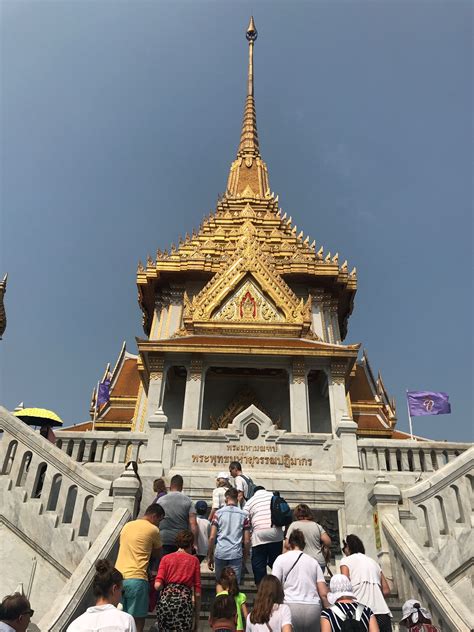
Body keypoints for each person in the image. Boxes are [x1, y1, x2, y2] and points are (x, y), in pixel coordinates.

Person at [115, 503, 165, 632]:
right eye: (159, 520)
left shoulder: (127, 526)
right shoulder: (153, 530)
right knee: (137, 620)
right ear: (154, 516)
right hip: (137, 579)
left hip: (118, 578)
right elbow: (159, 554)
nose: (159, 524)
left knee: (119, 620)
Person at [272, 529, 328, 632]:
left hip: (290, 606)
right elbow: (323, 593)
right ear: (304, 544)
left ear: (289, 543)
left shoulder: (280, 559)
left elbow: (273, 586)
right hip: (313, 607)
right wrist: (329, 609)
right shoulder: (313, 562)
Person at [340, 535, 392, 632]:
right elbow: (386, 591)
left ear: (348, 547)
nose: (344, 551)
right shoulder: (373, 562)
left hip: (359, 612)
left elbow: (344, 587)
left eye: (344, 548)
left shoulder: (345, 561)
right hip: (382, 611)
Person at [67, 559, 136, 632]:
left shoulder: (75, 625)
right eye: (122, 592)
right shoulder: (126, 621)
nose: (121, 597)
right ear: (114, 589)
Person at [154, 530, 201, 632]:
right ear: (191, 544)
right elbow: (197, 593)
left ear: (177, 543)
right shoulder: (194, 561)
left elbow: (157, 585)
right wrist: (197, 620)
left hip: (165, 601)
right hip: (183, 602)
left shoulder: (166, 559)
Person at [243, 485, 284, 585]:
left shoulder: (251, 500)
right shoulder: (274, 497)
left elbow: (244, 518)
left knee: (259, 565)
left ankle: (261, 590)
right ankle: (277, 586)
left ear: (254, 492)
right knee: (276, 563)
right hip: (276, 533)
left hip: (259, 534)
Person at [208, 487, 250, 583]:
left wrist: (210, 555)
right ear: (236, 498)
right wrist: (245, 557)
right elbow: (247, 540)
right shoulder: (244, 515)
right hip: (236, 554)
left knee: (220, 584)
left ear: (226, 498)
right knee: (234, 586)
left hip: (221, 552)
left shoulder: (218, 514)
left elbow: (212, 537)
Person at [156, 474, 198, 554]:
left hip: (163, 539)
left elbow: (155, 520)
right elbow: (193, 524)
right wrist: (194, 543)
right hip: (181, 541)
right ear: (181, 487)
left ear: (170, 486)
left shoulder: (160, 500)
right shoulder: (188, 501)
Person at [285, 504, 331, 573]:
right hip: (318, 561)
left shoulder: (294, 525)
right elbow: (328, 542)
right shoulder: (317, 526)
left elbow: (287, 544)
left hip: (301, 561)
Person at [216, 566, 248, 632]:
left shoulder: (221, 596)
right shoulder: (241, 596)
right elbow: (245, 615)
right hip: (239, 627)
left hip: (225, 626)